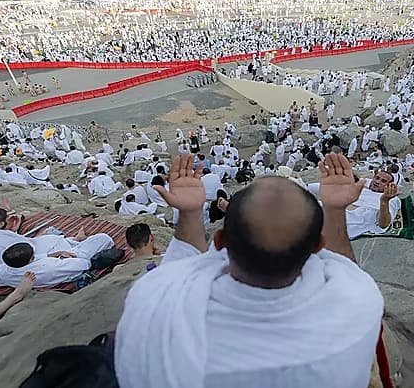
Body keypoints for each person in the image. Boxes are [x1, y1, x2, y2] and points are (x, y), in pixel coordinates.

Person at [115, 154, 384, 388]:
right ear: (318, 247)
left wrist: (189, 213)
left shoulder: (154, 305)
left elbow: (177, 276)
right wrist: (335, 211)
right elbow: (347, 273)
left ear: (219, 242)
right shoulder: (357, 308)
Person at [0, 235, 111, 288]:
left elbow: (38, 259)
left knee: (56, 243)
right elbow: (83, 264)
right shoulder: (49, 267)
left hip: (56, 261)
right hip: (71, 265)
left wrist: (54, 254)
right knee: (103, 238)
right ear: (31, 259)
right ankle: (76, 240)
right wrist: (70, 255)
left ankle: (74, 240)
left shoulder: (3, 269)